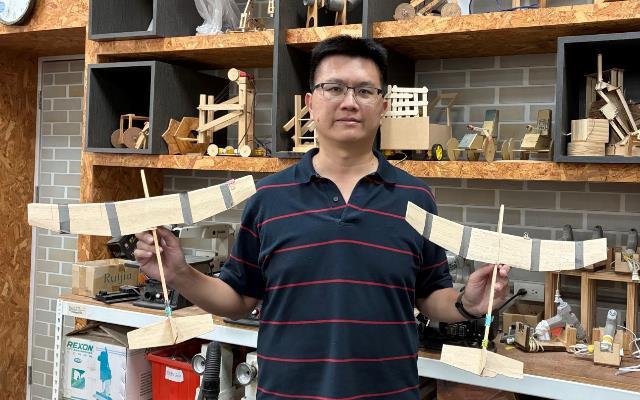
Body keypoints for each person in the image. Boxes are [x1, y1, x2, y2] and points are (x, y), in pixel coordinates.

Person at [135, 35, 510, 400]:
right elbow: (238, 298)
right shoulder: (268, 198)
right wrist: (179, 273)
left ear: (382, 107)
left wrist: (468, 304)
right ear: (311, 104)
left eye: (365, 91)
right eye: (335, 88)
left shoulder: (416, 198)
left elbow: (430, 295)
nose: (350, 102)